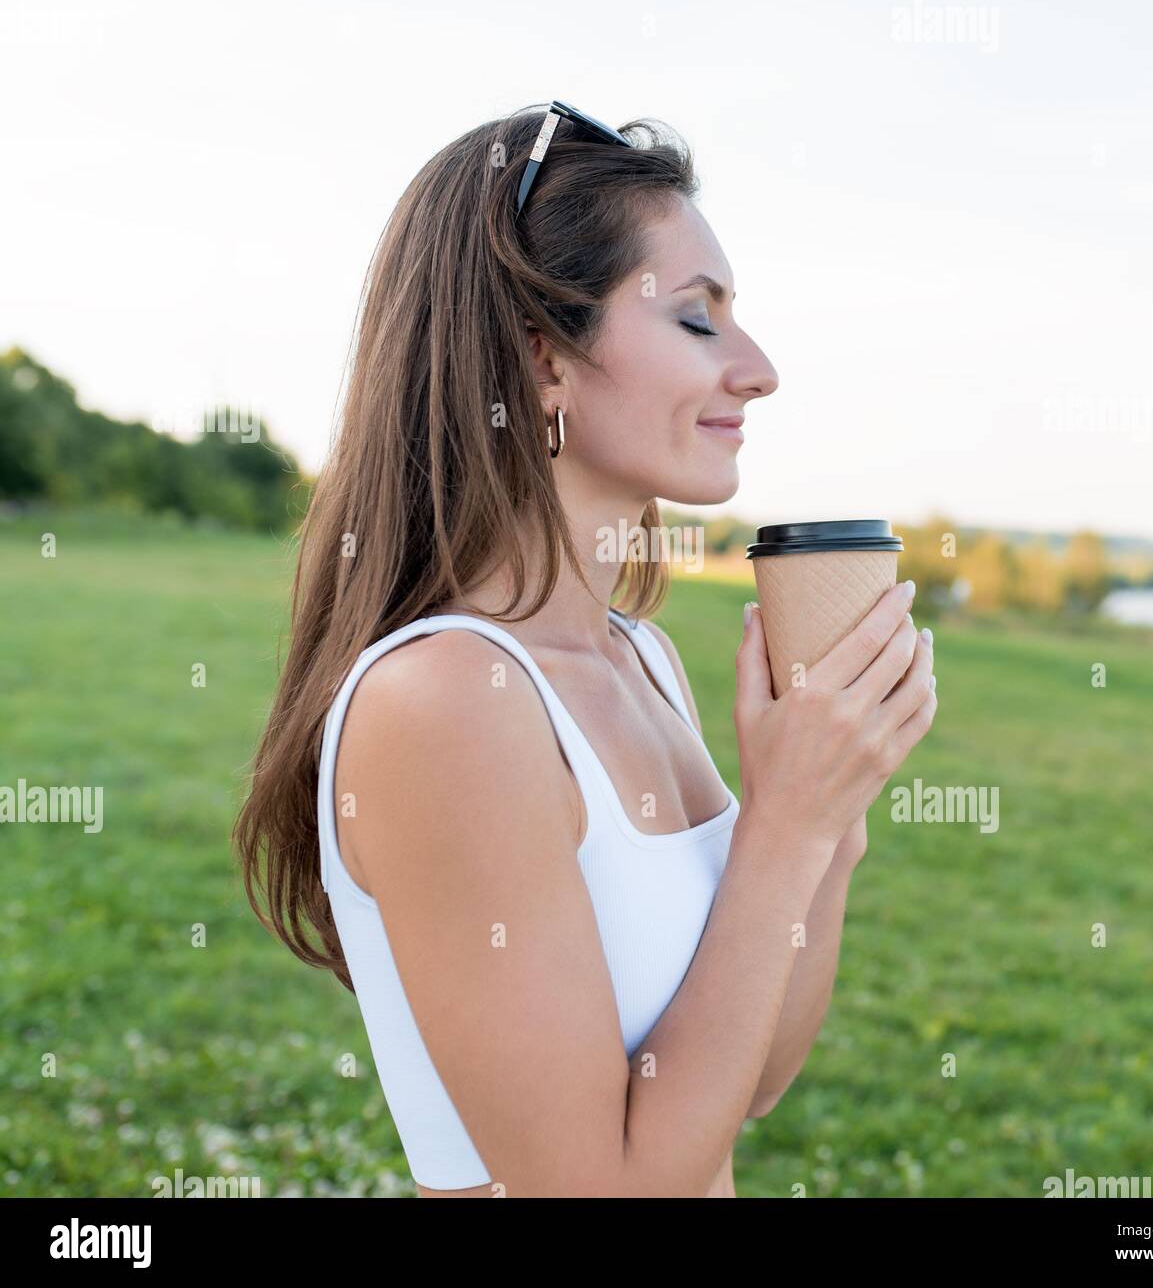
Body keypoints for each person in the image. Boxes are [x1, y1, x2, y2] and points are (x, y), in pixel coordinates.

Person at [234, 100, 937, 1197]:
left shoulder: (637, 660)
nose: (757, 369)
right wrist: (786, 825)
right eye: (697, 320)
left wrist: (826, 817)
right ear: (543, 362)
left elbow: (749, 1081)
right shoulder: (446, 700)